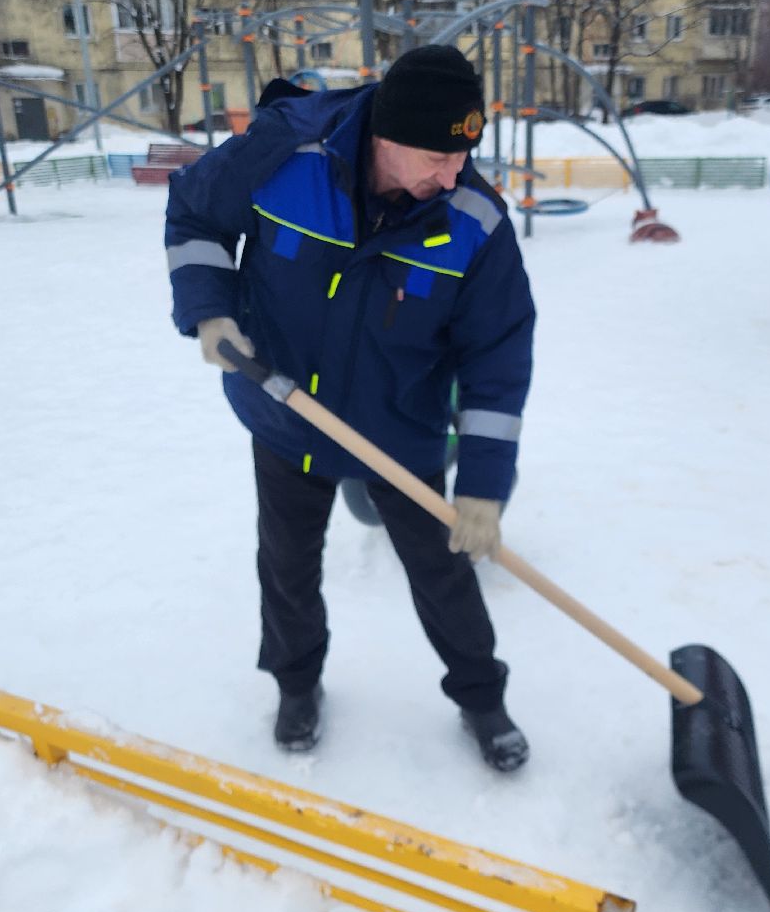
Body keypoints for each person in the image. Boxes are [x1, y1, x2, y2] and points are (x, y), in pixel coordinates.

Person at [164, 46, 536, 772]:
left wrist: (483, 486)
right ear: (386, 137)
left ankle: (481, 697)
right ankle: (296, 684)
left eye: (464, 155)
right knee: (288, 565)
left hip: (399, 430)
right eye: (439, 156)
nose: (453, 175)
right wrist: (210, 309)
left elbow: (497, 358)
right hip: (283, 411)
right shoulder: (285, 154)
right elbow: (195, 211)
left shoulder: (474, 221)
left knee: (442, 572)